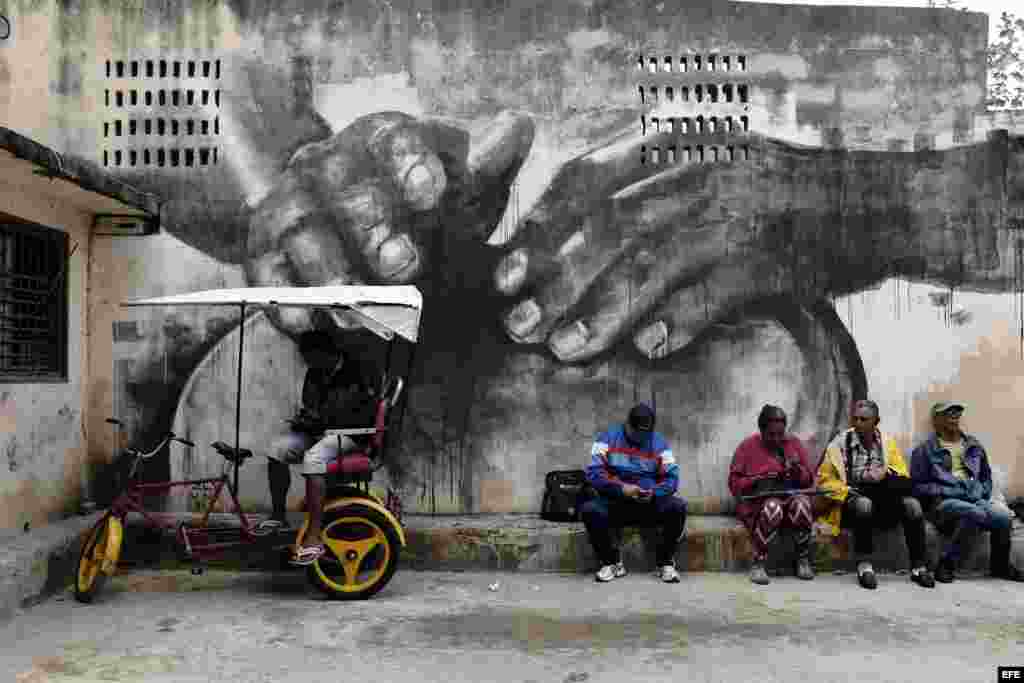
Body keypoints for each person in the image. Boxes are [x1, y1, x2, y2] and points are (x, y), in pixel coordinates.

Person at [256, 329, 377, 566]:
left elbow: (359, 412)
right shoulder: (314, 373)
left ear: (326, 353)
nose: (308, 364)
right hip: (319, 432)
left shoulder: (356, 372)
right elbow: (311, 405)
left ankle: (314, 536)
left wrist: (322, 420)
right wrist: (307, 420)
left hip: (349, 435)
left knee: (314, 459)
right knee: (276, 450)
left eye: (311, 358)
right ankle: (278, 515)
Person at [817, 399, 934, 589]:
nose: (857, 423)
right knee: (864, 503)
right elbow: (824, 481)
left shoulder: (887, 444)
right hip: (852, 502)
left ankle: (918, 567)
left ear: (876, 421)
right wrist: (850, 489)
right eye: (855, 419)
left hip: (883, 499)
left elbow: (902, 475)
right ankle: (865, 566)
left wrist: (882, 476)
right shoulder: (839, 444)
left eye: (864, 419)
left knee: (913, 505)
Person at [910, 401, 1024, 583]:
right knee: (975, 513)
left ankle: (1000, 566)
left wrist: (982, 491)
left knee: (1003, 516)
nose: (954, 416)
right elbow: (917, 486)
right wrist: (947, 490)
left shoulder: (973, 445)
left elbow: (986, 477)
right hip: (943, 503)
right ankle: (946, 563)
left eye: (956, 413)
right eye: (948, 413)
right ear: (936, 421)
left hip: (973, 499)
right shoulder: (924, 450)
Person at [581, 403, 687, 583]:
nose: (641, 438)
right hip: (617, 503)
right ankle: (611, 562)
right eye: (637, 433)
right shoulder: (607, 438)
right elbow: (594, 474)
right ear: (627, 425)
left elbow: (672, 479)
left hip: (648, 504)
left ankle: (665, 563)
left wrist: (653, 492)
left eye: (646, 435)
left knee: (677, 508)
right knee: (590, 510)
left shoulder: (659, 443)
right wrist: (621, 488)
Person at [728, 405, 815, 585]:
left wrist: (798, 472)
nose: (776, 439)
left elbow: (808, 480)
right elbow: (734, 484)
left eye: (780, 434)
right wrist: (760, 478)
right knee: (772, 508)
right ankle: (758, 562)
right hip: (759, 505)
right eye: (771, 434)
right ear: (761, 430)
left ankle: (802, 559)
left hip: (789, 500)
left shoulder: (794, 444)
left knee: (802, 504)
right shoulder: (747, 447)